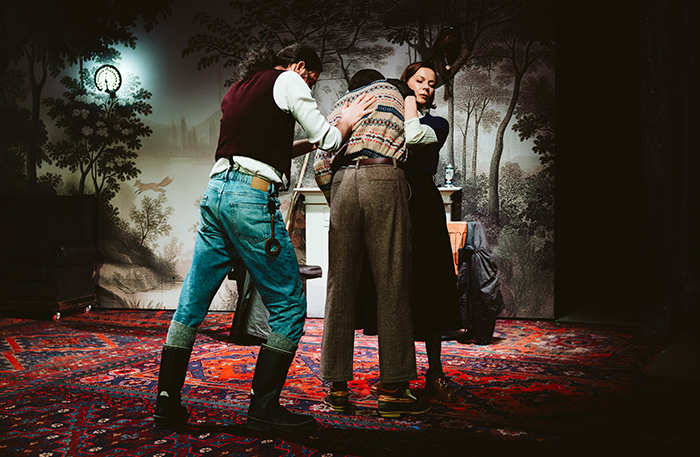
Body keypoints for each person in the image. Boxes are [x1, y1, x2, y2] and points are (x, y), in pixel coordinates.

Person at [153, 44, 375, 433]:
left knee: (190, 305)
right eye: (312, 79)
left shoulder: (239, 88)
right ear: (300, 66)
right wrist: (347, 121)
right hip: (251, 199)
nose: (309, 86)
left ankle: (166, 405)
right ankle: (263, 409)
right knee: (289, 305)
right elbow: (329, 139)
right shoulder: (288, 79)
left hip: (216, 194)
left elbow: (263, 150)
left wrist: (307, 142)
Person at [314, 70, 432, 418]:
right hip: (383, 174)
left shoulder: (342, 103)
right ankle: (393, 391)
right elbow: (415, 139)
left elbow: (321, 162)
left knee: (339, 286)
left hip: (343, 181)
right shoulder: (396, 95)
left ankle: (337, 388)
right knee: (392, 282)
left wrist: (336, 196)